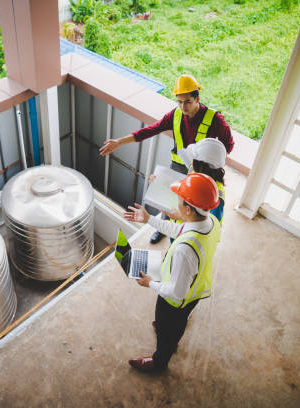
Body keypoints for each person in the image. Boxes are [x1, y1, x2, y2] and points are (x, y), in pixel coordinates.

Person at [100, 74, 234, 244]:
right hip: (178, 167)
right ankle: (163, 227)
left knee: (194, 206)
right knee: (170, 199)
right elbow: (150, 130)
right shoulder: (175, 115)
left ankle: (182, 233)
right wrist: (119, 142)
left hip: (201, 170)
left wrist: (210, 164)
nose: (182, 106)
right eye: (179, 101)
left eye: (187, 102)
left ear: (197, 98)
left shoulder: (215, 120)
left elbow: (228, 146)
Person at [123, 173, 221, 372]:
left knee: (170, 324)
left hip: (176, 301)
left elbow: (176, 293)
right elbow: (180, 230)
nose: (176, 203)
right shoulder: (210, 221)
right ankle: (167, 334)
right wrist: (149, 219)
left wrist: (149, 282)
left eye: (179, 199)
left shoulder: (184, 250)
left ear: (187, 208)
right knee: (175, 323)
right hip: (196, 290)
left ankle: (159, 362)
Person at [168, 137, 227, 225]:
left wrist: (180, 216)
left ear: (201, 165)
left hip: (189, 234)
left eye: (193, 159)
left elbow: (210, 225)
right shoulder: (195, 171)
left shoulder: (216, 196)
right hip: (178, 226)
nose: (191, 162)